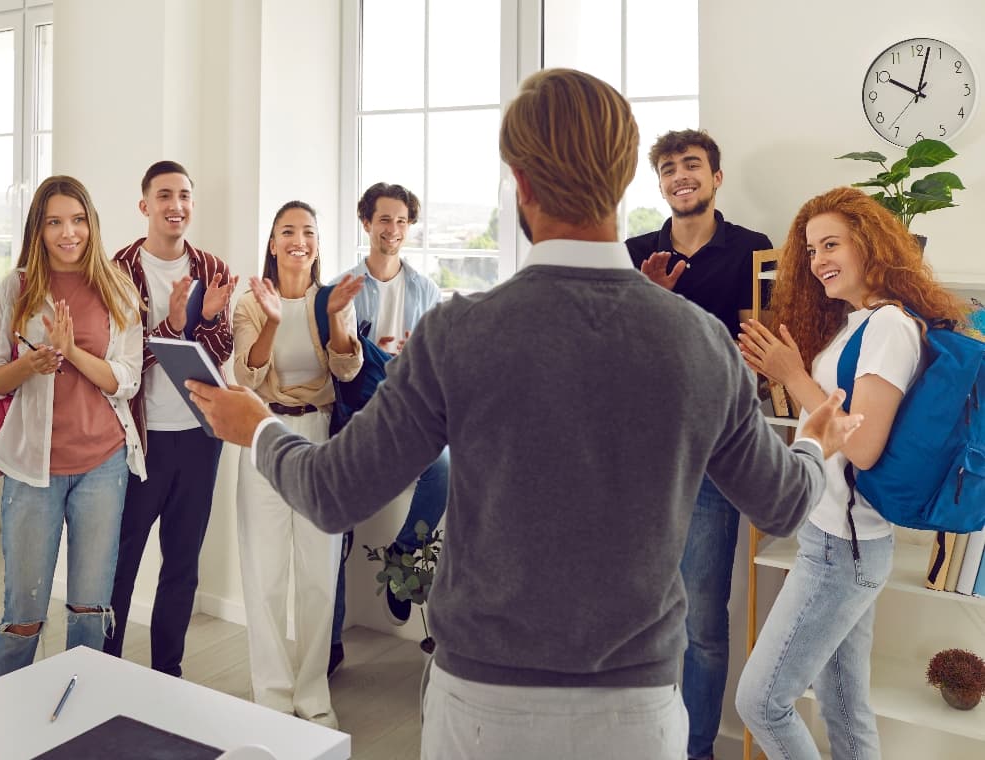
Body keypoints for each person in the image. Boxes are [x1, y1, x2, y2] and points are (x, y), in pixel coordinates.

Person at [184, 69, 862, 760]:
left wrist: (256, 427)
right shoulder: (698, 339)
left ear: (521, 183)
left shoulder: (459, 332)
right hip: (637, 715)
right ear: (625, 179)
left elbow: (331, 493)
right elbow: (783, 503)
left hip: (482, 708)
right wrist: (813, 440)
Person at [735, 186, 965, 760]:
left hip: (844, 549)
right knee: (843, 705)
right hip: (839, 538)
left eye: (831, 244)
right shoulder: (859, 321)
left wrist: (791, 373)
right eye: (811, 250)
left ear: (869, 243)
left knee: (761, 703)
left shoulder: (888, 325)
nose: (817, 261)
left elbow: (860, 447)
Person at [625, 128, 773, 760]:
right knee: (633, 614)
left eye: (692, 165)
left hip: (715, 456)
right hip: (636, 458)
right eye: (667, 168)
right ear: (658, 183)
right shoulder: (631, 252)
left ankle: (696, 750)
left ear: (715, 178)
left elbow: (759, 358)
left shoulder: (752, 253)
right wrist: (648, 300)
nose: (679, 175)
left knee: (704, 623)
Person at [0, 175, 145, 680]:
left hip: (103, 465)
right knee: (23, 617)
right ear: (39, 229)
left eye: (77, 221)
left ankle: (82, 731)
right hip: (33, 470)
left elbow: (128, 380)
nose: (68, 233)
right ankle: (2, 728)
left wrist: (73, 353)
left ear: (91, 224)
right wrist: (27, 366)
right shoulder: (18, 287)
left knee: (90, 614)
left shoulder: (116, 286)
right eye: (54, 222)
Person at [231, 200, 364, 729]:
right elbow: (246, 377)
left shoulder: (333, 299)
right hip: (262, 434)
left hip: (318, 440)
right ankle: (271, 696)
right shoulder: (249, 303)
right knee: (263, 575)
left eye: (308, 231)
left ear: (317, 242)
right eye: (288, 231)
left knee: (317, 575)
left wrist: (334, 320)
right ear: (272, 242)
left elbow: (347, 368)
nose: (298, 240)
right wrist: (270, 320)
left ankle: (313, 695)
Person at [104, 161, 238, 676]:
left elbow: (221, 349)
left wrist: (203, 323)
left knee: (182, 567)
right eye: (164, 196)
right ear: (145, 206)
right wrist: (174, 324)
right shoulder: (116, 270)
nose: (175, 205)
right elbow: (118, 358)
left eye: (184, 195)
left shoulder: (211, 267)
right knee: (121, 562)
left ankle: (168, 675)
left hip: (200, 438)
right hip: (140, 440)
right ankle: (106, 668)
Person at [328, 182, 449, 676]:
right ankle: (328, 644)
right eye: (384, 220)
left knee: (443, 466)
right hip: (357, 416)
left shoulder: (425, 289)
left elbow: (431, 362)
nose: (393, 230)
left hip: (406, 413)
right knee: (336, 534)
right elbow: (343, 368)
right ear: (366, 223)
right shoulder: (345, 286)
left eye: (401, 221)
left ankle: (403, 562)